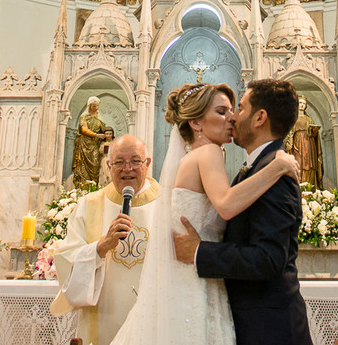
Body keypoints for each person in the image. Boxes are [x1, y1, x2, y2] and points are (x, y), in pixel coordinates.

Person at [110, 82, 300, 345]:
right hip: (196, 287)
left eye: (234, 109)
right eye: (222, 112)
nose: (231, 117)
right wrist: (278, 166)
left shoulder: (194, 157)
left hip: (190, 281)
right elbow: (226, 204)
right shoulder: (209, 153)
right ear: (197, 123)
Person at [172, 78, 312, 345]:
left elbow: (269, 259)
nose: (233, 117)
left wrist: (200, 252)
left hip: (269, 330)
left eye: (240, 108)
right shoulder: (262, 168)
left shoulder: (277, 174)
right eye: (223, 111)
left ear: (260, 118)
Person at [51, 135, 159, 345]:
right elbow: (67, 265)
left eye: (135, 161)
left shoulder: (167, 204)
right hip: (102, 324)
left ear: (147, 163)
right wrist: (100, 247)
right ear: (109, 166)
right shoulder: (88, 205)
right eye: (119, 162)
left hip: (154, 321)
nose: (127, 168)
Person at [284, 95, 322, 188]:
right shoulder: (293, 118)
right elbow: (290, 133)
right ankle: (298, 188)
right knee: (299, 164)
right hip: (297, 143)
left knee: (310, 164)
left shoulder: (309, 119)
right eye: (300, 103)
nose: (302, 105)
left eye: (304, 103)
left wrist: (315, 131)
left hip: (309, 144)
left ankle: (311, 187)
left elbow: (314, 135)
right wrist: (290, 143)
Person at [72, 96, 107, 190]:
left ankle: (94, 188)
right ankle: (81, 189)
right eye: (94, 106)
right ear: (89, 106)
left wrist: (108, 137)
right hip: (83, 145)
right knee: (81, 168)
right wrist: (96, 135)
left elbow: (105, 131)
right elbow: (84, 129)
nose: (96, 108)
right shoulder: (84, 117)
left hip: (95, 146)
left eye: (97, 106)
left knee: (95, 165)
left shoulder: (100, 119)